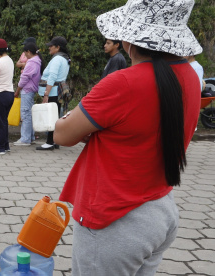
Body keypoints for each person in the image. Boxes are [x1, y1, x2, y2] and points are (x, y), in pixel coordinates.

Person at [53, 0, 202, 275]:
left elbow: (62, 134)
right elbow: (144, 131)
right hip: (160, 210)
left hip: (116, 220)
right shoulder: (191, 78)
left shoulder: (122, 83)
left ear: (130, 38)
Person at [36, 36, 70, 150]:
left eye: (51, 46)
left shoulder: (57, 59)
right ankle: (55, 141)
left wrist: (46, 94)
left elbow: (52, 76)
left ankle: (49, 142)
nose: (49, 47)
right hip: (58, 91)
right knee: (55, 116)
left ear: (58, 47)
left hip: (53, 92)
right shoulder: (64, 58)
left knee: (51, 117)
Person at [13, 42, 44, 146]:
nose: (24, 55)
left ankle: (25, 139)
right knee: (30, 114)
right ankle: (30, 137)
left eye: (25, 53)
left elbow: (24, 78)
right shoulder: (38, 61)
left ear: (29, 52)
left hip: (27, 90)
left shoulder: (32, 62)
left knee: (26, 114)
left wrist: (17, 90)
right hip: (31, 90)